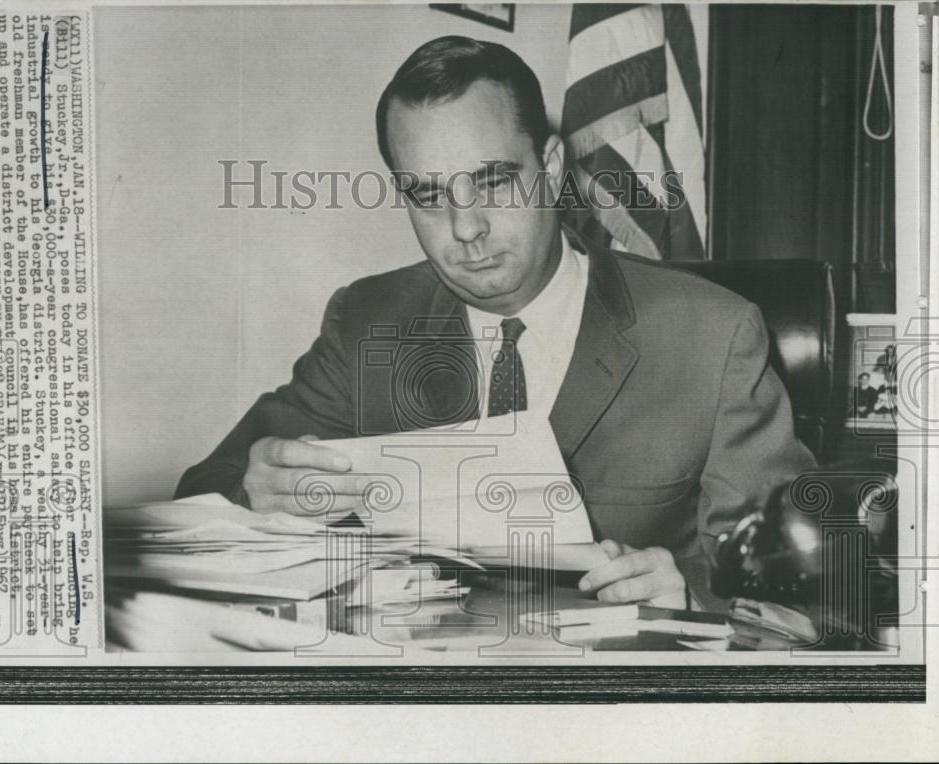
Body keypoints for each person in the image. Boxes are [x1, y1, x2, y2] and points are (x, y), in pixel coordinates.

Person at [176, 36, 816, 611]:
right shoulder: (367, 320)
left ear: (554, 170)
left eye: (493, 183)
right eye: (429, 196)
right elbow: (200, 492)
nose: (465, 229)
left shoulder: (710, 335)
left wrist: (696, 589)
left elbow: (805, 572)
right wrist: (251, 493)